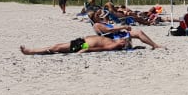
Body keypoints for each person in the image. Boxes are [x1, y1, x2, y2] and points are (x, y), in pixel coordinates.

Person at [21, 34, 161, 55]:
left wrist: (85, 49)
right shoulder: (114, 41)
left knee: (56, 48)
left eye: (124, 40)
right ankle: (33, 51)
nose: (123, 39)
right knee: (57, 46)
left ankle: (31, 51)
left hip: (83, 45)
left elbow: (100, 48)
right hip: (81, 41)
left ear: (123, 45)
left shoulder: (114, 45)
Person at [89, 10, 161, 48]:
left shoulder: (100, 23)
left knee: (138, 32)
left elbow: (109, 26)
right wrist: (123, 27)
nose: (98, 16)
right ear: (93, 18)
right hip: (114, 37)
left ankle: (154, 45)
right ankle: (155, 45)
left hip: (116, 34)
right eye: (96, 15)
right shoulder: (97, 25)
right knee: (139, 32)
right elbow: (109, 30)